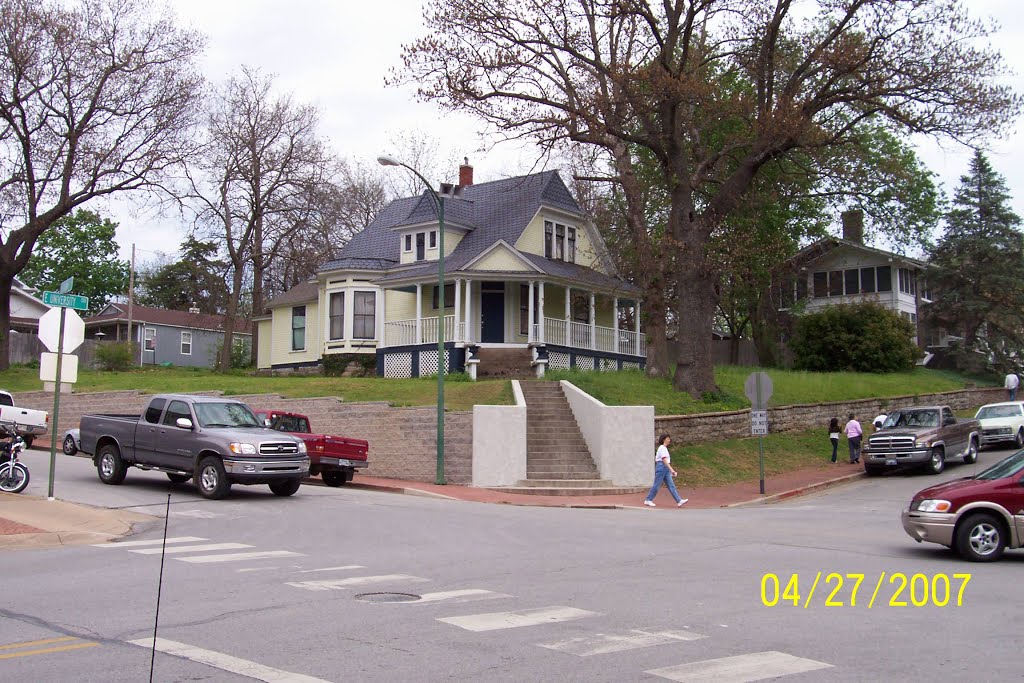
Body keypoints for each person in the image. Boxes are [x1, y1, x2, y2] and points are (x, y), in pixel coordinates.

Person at [643, 434, 687, 507]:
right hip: (662, 467)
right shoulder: (662, 448)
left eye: (669, 439)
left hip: (664, 468)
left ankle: (679, 501)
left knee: (671, 485)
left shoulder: (664, 448)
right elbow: (664, 459)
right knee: (657, 485)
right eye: (668, 439)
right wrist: (672, 470)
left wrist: (669, 469)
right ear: (664, 439)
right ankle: (648, 500)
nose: (669, 440)